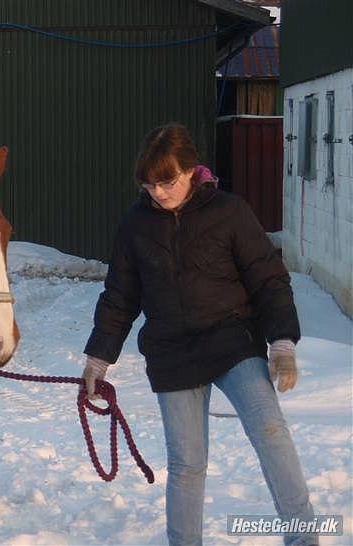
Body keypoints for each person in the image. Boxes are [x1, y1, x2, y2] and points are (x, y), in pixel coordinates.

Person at [82, 123, 317, 546]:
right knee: (187, 464)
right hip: (172, 352)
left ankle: (304, 538)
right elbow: (119, 296)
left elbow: (268, 279)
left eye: (167, 180)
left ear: (190, 170)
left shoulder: (229, 212)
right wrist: (98, 358)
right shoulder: (136, 225)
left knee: (271, 431)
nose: (158, 192)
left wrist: (282, 341)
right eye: (149, 184)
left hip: (232, 341)